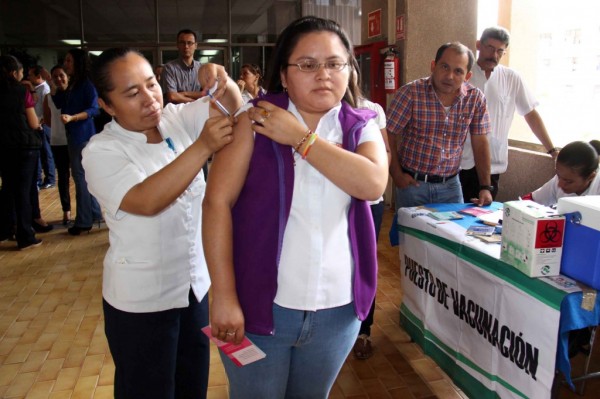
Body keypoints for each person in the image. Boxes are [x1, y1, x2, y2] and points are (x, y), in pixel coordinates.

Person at [202, 16, 388, 399]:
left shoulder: (360, 126)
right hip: (257, 309)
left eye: (335, 63)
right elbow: (216, 202)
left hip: (338, 312)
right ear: (284, 76)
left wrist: (300, 138)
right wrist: (222, 295)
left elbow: (372, 183)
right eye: (307, 64)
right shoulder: (253, 120)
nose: (323, 74)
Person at [83, 48, 241, 399]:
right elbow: (147, 199)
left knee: (191, 384)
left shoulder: (175, 118)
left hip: (192, 289)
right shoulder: (101, 151)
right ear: (107, 106)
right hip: (142, 304)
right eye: (132, 93)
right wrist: (202, 148)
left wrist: (222, 79)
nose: (149, 98)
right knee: (147, 390)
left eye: (151, 84)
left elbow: (231, 106)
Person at [387, 42, 493, 210]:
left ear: (467, 76)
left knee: (452, 235)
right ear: (433, 66)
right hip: (413, 186)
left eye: (458, 71)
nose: (450, 76)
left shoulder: (475, 99)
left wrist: (485, 187)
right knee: (409, 236)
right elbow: (388, 134)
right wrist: (396, 174)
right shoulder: (411, 93)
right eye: (444, 67)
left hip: (451, 186)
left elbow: (480, 142)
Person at [460, 26, 557, 201]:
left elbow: (530, 115)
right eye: (490, 48)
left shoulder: (511, 78)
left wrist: (551, 150)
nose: (494, 55)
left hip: (493, 164)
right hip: (460, 163)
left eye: (500, 51)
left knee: (479, 221)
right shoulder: (462, 74)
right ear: (478, 45)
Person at [54, 48, 102, 235]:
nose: (65, 64)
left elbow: (94, 109)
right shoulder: (74, 84)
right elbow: (60, 104)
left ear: (77, 62)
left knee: (80, 178)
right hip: (74, 135)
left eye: (68, 61)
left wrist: (73, 118)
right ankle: (95, 213)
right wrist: (59, 86)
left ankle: (83, 221)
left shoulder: (87, 84)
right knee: (83, 178)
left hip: (82, 135)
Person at [0, 55, 43, 249]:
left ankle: (5, 230)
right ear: (14, 73)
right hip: (25, 147)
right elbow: (33, 122)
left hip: (4, 147)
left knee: (7, 188)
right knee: (23, 192)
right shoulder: (21, 92)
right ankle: (25, 236)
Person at [520, 140, 600, 206]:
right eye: (558, 176)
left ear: (590, 177)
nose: (560, 184)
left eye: (568, 181)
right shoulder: (562, 178)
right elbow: (532, 201)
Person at [43, 65, 72, 225]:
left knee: (80, 176)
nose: (59, 79)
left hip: (74, 140)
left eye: (61, 75)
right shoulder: (48, 97)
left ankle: (84, 209)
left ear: (67, 76)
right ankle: (66, 211)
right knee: (63, 177)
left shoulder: (73, 94)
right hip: (58, 141)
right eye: (55, 76)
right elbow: (47, 120)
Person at [28, 65, 56, 189]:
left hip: (43, 124)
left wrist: (41, 122)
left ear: (38, 76)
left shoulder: (44, 88)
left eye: (31, 75)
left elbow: (46, 108)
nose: (29, 77)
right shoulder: (36, 88)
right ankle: (41, 179)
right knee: (40, 152)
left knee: (46, 152)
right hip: (37, 124)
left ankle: (50, 178)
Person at [162, 29, 203, 104]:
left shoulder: (202, 68)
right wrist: (195, 103)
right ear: (177, 45)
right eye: (182, 43)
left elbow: (207, 94)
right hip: (176, 114)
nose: (186, 46)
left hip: (198, 114)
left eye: (189, 43)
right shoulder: (169, 68)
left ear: (196, 46)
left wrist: (184, 94)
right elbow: (172, 96)